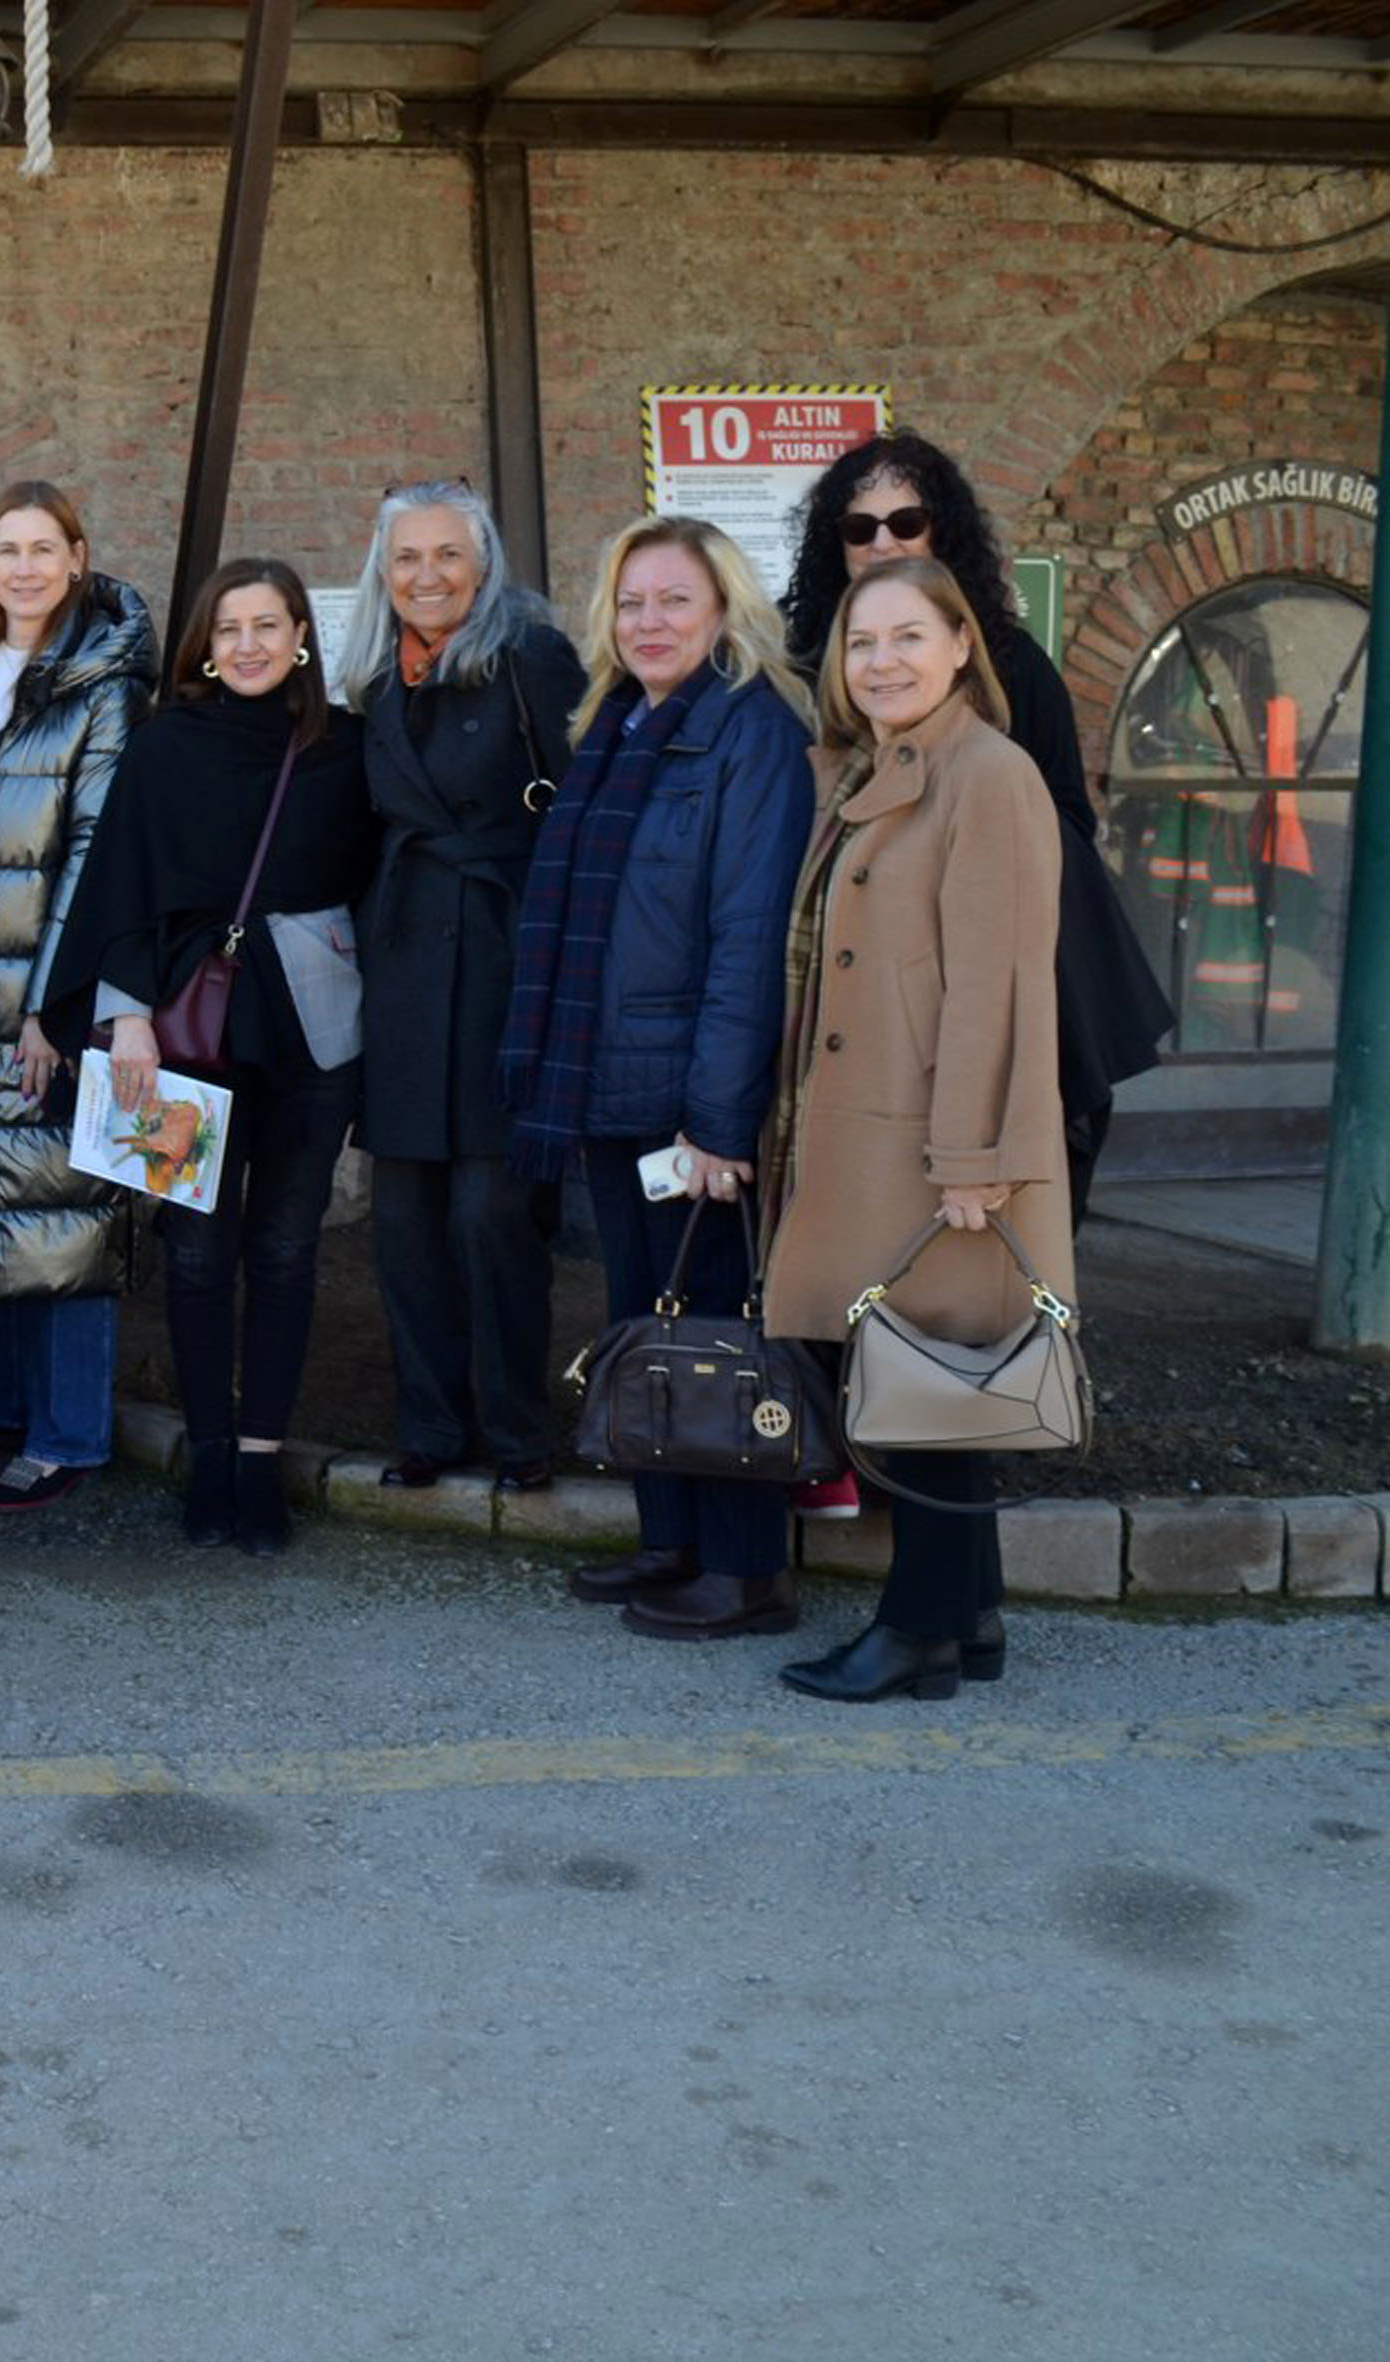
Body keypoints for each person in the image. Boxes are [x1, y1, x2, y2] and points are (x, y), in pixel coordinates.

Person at [499, 515, 817, 1640]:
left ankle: (747, 1569)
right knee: (648, 1320)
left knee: (718, 1326)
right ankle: (671, 1541)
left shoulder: (751, 733)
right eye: (632, 602)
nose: (650, 622)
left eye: (675, 600)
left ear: (725, 608)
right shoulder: (621, 722)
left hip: (689, 1093)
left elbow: (749, 939)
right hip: (608, 1078)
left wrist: (721, 1120)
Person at [763, 557, 1072, 1703]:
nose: (881, 661)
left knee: (929, 1387)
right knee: (933, 1374)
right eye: (860, 643)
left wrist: (974, 1162)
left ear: (958, 646)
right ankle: (972, 1615)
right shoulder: (877, 768)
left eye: (906, 638)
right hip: (876, 1129)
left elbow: (997, 984)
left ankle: (917, 1634)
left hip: (940, 1146)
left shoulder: (988, 775)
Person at [50, 559, 374, 1555]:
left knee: (283, 1247)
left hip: (314, 1034)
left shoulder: (344, 750)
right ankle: (210, 1451)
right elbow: (118, 889)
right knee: (194, 1252)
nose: (245, 645)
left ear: (300, 637)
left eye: (266, 625)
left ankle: (260, 1463)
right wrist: (127, 1019)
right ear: (202, 643)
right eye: (226, 628)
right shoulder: (163, 747)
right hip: (177, 1034)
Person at [781, 433, 1168, 1227]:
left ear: (941, 531)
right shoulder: (810, 667)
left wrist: (951, 847)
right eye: (859, 529)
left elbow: (1065, 819)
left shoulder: (1011, 665)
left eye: (906, 521)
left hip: (1012, 977)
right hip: (866, 1000)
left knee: (1005, 1243)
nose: (883, 541)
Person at [0, 482, 159, 1514]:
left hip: (45, 983)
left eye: (42, 548)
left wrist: (55, 1006)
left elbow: (99, 847)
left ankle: (69, 1432)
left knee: (65, 1199)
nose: (22, 567)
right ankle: (2, 1403)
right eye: (5, 548)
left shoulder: (102, 683)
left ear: (77, 556)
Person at [339, 479, 585, 1498]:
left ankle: (519, 1433)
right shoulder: (372, 680)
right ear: (383, 571)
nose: (427, 576)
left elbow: (578, 807)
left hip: (503, 954)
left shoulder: (530, 655)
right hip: (403, 964)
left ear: (483, 565)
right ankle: (431, 1429)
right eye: (407, 558)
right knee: (406, 1219)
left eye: (448, 555)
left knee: (493, 1213)